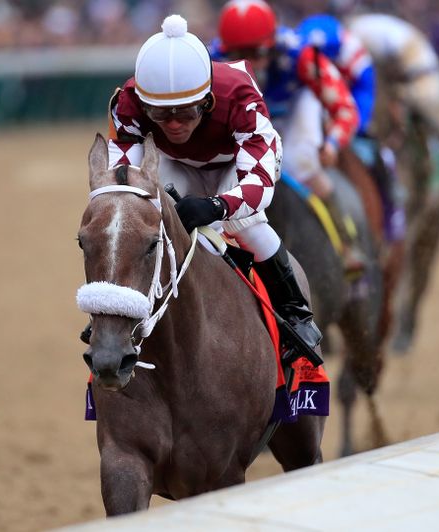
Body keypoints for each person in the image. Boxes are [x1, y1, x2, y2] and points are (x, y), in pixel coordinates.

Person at [96, 14, 321, 364]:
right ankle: (119, 315)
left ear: (207, 101)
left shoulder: (240, 93)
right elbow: (121, 176)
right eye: (160, 114)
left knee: (245, 224)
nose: (173, 124)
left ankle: (296, 313)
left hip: (237, 163)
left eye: (186, 113)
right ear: (144, 104)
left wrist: (217, 206)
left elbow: (258, 184)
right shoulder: (129, 101)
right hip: (178, 163)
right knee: (141, 221)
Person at [212, 0, 365, 272]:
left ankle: (346, 243)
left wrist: (332, 144)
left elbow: (344, 107)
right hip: (244, 122)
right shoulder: (209, 60)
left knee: (300, 162)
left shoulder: (302, 55)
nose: (248, 63)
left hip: (292, 113)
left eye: (256, 53)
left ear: (272, 46)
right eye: (237, 53)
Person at [297, 13, 405, 244]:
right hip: (314, 109)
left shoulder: (356, 57)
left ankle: (392, 216)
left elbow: (364, 95)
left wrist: (352, 126)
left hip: (349, 112)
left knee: (381, 156)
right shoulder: (298, 53)